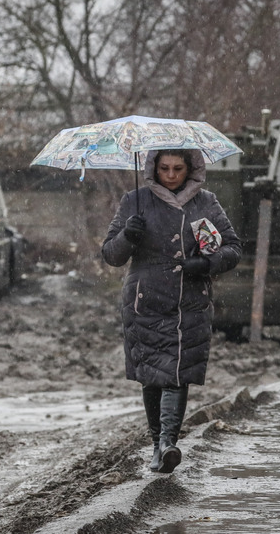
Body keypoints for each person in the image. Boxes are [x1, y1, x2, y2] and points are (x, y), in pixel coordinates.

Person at [101, 148, 242, 474]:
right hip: (145, 302)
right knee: (151, 377)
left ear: (191, 168)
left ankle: (168, 443)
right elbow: (110, 254)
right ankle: (158, 444)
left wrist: (206, 262)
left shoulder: (205, 202)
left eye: (178, 168)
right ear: (154, 167)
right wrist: (127, 235)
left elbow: (233, 248)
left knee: (177, 373)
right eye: (164, 168)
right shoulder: (135, 200)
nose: (171, 175)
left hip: (189, 303)